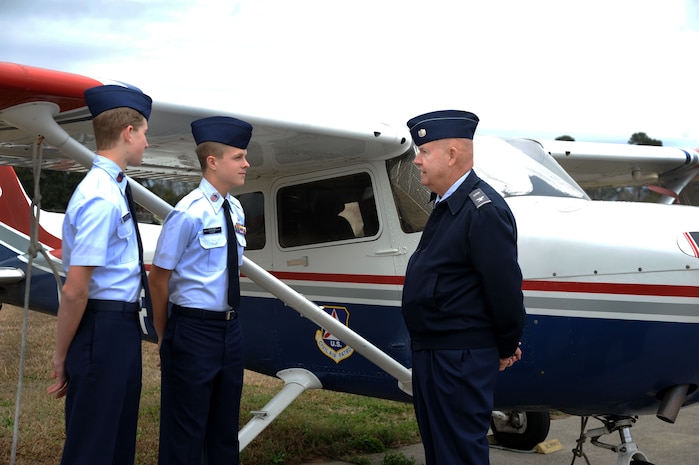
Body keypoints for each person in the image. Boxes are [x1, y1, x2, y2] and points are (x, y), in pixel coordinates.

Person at [400, 110, 526, 465]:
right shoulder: (447, 205)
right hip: (434, 351)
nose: (416, 159)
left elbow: (504, 290)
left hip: (459, 355)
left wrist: (505, 344)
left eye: (424, 151)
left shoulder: (482, 211)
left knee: (459, 454)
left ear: (452, 155)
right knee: (441, 453)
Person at [47, 84, 152, 465]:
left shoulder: (113, 188)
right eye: (144, 133)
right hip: (101, 329)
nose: (146, 143)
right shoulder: (99, 195)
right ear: (128, 133)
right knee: (92, 446)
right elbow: (76, 290)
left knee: (117, 443)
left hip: (120, 328)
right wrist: (62, 357)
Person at [148, 116, 252, 465]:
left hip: (230, 330)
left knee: (225, 432)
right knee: (185, 434)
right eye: (238, 157)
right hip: (193, 330)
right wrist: (166, 336)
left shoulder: (235, 209)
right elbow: (159, 278)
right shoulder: (187, 212)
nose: (246, 164)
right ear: (213, 161)